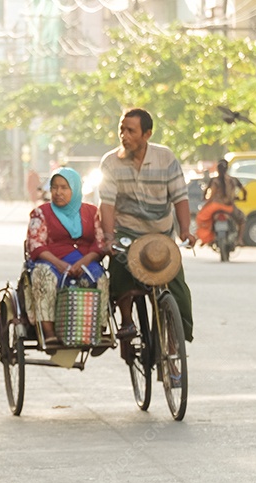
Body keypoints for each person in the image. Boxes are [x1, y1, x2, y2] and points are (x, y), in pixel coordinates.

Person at [99, 108, 196, 343]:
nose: (124, 135)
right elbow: (107, 204)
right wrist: (109, 237)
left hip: (160, 234)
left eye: (131, 131)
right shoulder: (111, 162)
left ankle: (175, 337)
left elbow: (180, 197)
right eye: (121, 129)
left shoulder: (166, 158)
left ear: (147, 134)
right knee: (120, 265)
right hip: (126, 231)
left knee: (178, 289)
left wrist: (185, 230)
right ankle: (126, 321)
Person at [23, 168, 111, 351]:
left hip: (85, 261)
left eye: (64, 188)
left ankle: (99, 332)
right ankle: (49, 334)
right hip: (52, 261)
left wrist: (83, 262)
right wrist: (60, 264)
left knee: (100, 279)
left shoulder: (91, 212)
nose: (58, 192)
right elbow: (36, 244)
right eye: (54, 187)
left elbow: (100, 243)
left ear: (75, 189)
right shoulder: (41, 213)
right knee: (44, 276)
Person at [195, 159, 247, 246]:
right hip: (229, 207)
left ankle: (207, 239)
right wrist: (243, 198)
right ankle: (239, 240)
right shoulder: (233, 180)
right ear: (227, 169)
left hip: (214, 207)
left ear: (217, 169)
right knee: (242, 220)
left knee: (203, 218)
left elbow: (208, 193)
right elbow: (244, 191)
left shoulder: (214, 180)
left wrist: (206, 201)